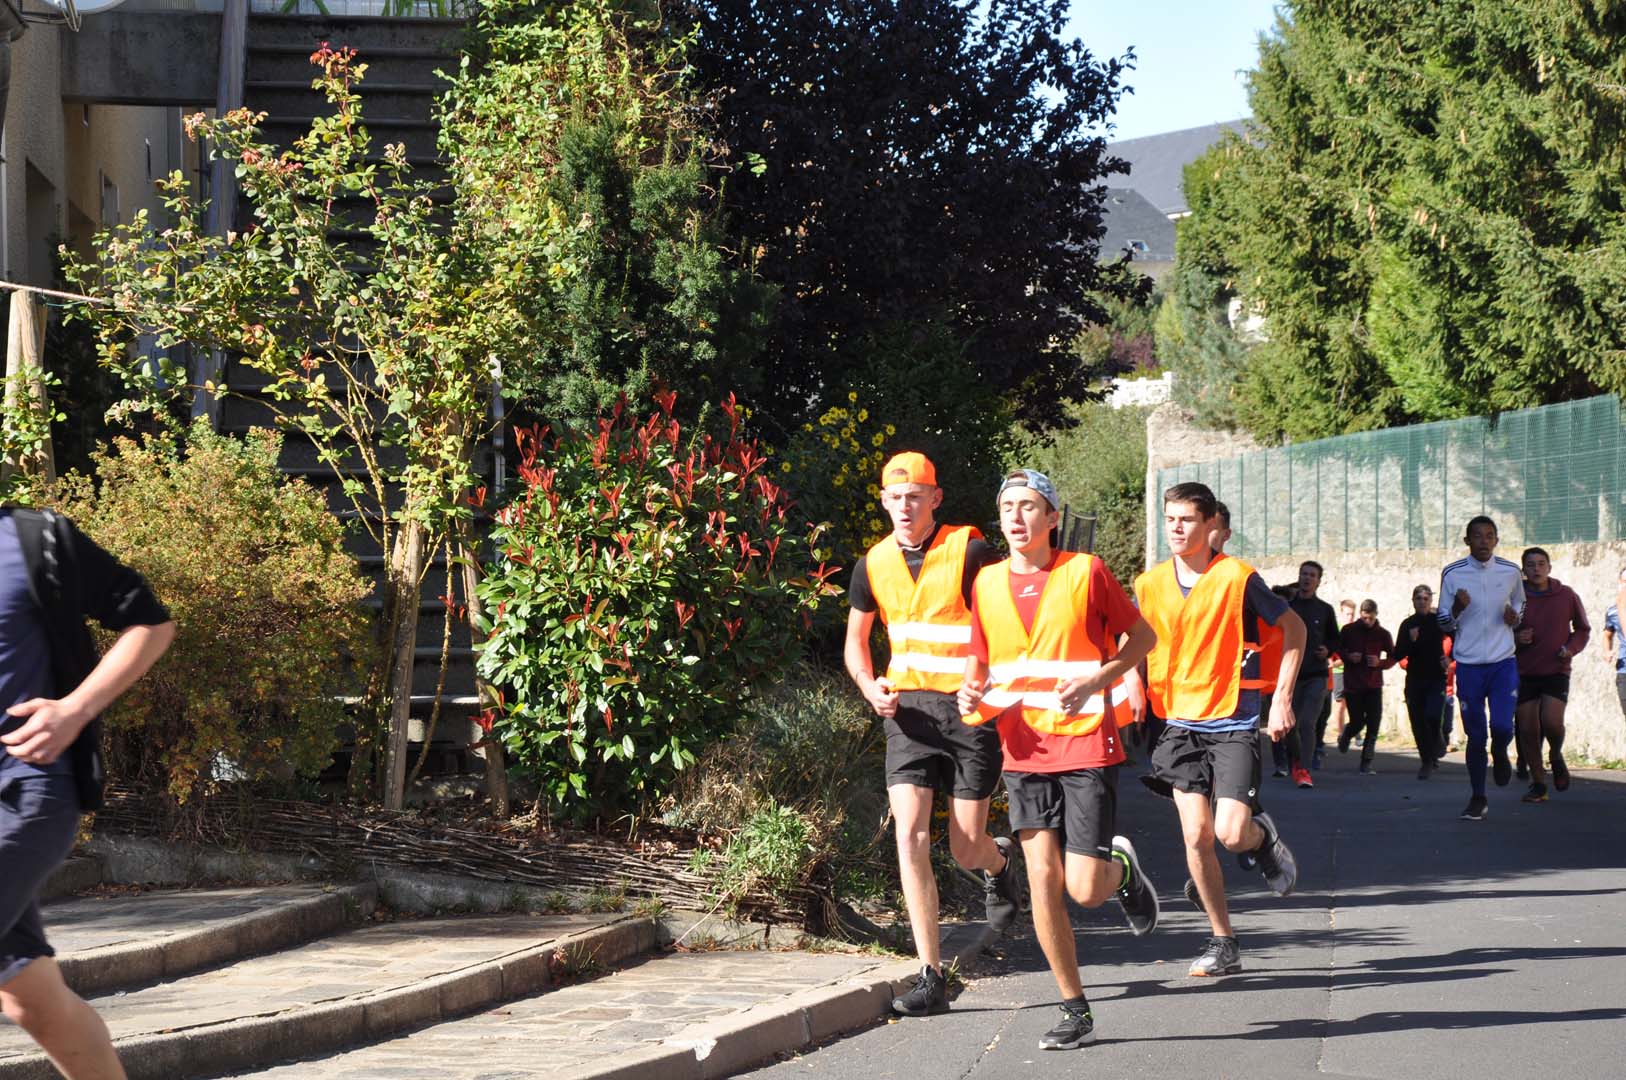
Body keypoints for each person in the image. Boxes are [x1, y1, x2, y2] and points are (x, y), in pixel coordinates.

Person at [958, 469, 1159, 1051]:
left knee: (1085, 889)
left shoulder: (1085, 571)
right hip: (1023, 748)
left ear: (1051, 517)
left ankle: (1122, 872)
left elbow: (1143, 639)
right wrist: (971, 691)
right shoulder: (987, 582)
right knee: (1043, 880)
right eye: (1008, 508)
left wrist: (1098, 679)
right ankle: (1075, 1007)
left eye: (1028, 507)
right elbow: (980, 661)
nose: (1016, 517)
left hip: (1086, 741)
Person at [844, 452, 1026, 1017]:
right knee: (910, 836)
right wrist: (869, 685)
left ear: (935, 498)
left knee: (965, 845)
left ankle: (998, 863)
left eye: (915, 496)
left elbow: (1003, 621)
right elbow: (855, 643)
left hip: (968, 711)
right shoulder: (872, 563)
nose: (905, 506)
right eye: (895, 497)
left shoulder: (970, 551)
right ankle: (931, 976)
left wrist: (985, 681)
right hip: (908, 715)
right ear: (883, 501)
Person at [2, 506, 175, 1080]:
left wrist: (75, 709)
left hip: (24, 789)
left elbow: (150, 623)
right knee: (32, 999)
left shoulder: (33, 539)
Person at [1136, 482, 1303, 978]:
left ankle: (1261, 838)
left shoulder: (1237, 578)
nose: (1176, 528)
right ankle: (1222, 940)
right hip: (1178, 722)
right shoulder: (1150, 583)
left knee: (1230, 834)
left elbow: (1295, 630)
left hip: (1233, 720)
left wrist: (1282, 699)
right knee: (1196, 835)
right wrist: (1126, 684)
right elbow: (1136, 641)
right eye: (1170, 519)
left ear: (1211, 525)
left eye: (1187, 519)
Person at [1437, 516, 1524, 821]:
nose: (1484, 541)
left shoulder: (1511, 572)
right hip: (1470, 665)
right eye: (1477, 536)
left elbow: (1520, 604)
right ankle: (1478, 797)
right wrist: (1457, 608)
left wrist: (1516, 618)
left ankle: (1500, 750)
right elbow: (1443, 622)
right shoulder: (1452, 573)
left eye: (1489, 536)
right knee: (1475, 735)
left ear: (1496, 540)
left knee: (1502, 726)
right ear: (1467, 541)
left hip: (1503, 662)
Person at [1513, 548, 1589, 803]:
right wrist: (1516, 638)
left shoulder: (1566, 595)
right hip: (1523, 671)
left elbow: (1582, 629)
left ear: (1549, 567)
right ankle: (1538, 784)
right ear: (1524, 570)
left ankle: (1555, 754)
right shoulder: (1515, 598)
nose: (1536, 569)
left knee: (1552, 722)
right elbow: (1498, 629)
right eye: (1530, 564)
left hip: (1556, 668)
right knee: (1527, 730)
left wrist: (1571, 648)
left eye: (1541, 563)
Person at [1284, 562, 1339, 788]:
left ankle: (1304, 770)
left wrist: (1328, 649)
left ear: (1319, 581)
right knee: (1290, 726)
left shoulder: (1325, 610)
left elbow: (1336, 639)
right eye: (1304, 574)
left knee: (1307, 723)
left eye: (1312, 575)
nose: (1307, 578)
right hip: (1292, 675)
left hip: (1316, 675)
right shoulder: (1287, 608)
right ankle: (1295, 762)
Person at [1392, 585, 1451, 779]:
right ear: (1413, 601)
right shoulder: (1408, 624)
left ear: (1431, 601)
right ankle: (1426, 761)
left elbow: (1458, 637)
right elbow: (1398, 653)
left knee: (1433, 715)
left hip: (1436, 677)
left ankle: (1437, 737)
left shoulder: (1438, 621)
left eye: (1426, 598)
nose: (1422, 601)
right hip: (1415, 678)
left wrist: (1451, 658)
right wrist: (1411, 640)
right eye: (1418, 598)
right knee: (1418, 722)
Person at [1336, 600, 1394, 773]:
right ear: (1360, 614)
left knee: (1373, 724)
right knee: (1357, 721)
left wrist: (1380, 662)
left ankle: (1366, 762)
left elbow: (1393, 656)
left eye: (1370, 618)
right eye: (1364, 618)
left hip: (1374, 684)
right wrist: (1348, 656)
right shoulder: (1349, 630)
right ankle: (1347, 734)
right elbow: (1338, 649)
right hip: (1353, 684)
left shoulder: (1382, 634)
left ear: (1376, 615)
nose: (1367, 621)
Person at [1326, 598, 1357, 749]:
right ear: (1341, 613)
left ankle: (1353, 732)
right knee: (1340, 704)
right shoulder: (1337, 630)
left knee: (1355, 703)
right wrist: (1336, 663)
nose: (1350, 617)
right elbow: (1332, 654)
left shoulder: (1356, 631)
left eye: (1352, 614)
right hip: (1339, 672)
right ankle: (1341, 734)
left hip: (1353, 671)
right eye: (1347, 614)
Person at [1602, 566, 1626, 730]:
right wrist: (1607, 651)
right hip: (1624, 671)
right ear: (1619, 583)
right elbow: (1607, 635)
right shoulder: (1612, 612)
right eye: (1625, 582)